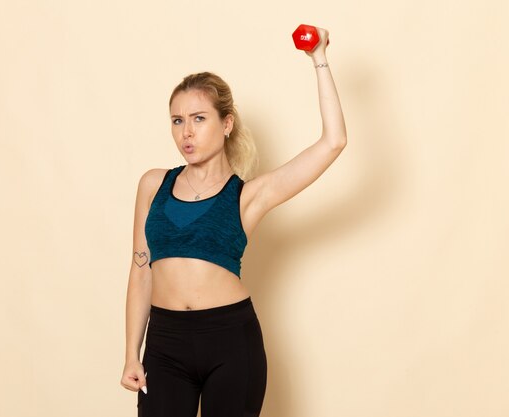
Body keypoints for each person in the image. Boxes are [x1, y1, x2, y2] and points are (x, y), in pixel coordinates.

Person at [120, 27, 346, 417]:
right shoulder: (152, 185)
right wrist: (131, 353)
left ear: (226, 124)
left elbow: (333, 142)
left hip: (230, 342)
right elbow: (141, 272)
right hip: (165, 343)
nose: (186, 132)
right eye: (177, 121)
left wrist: (318, 57)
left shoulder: (248, 196)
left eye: (198, 118)